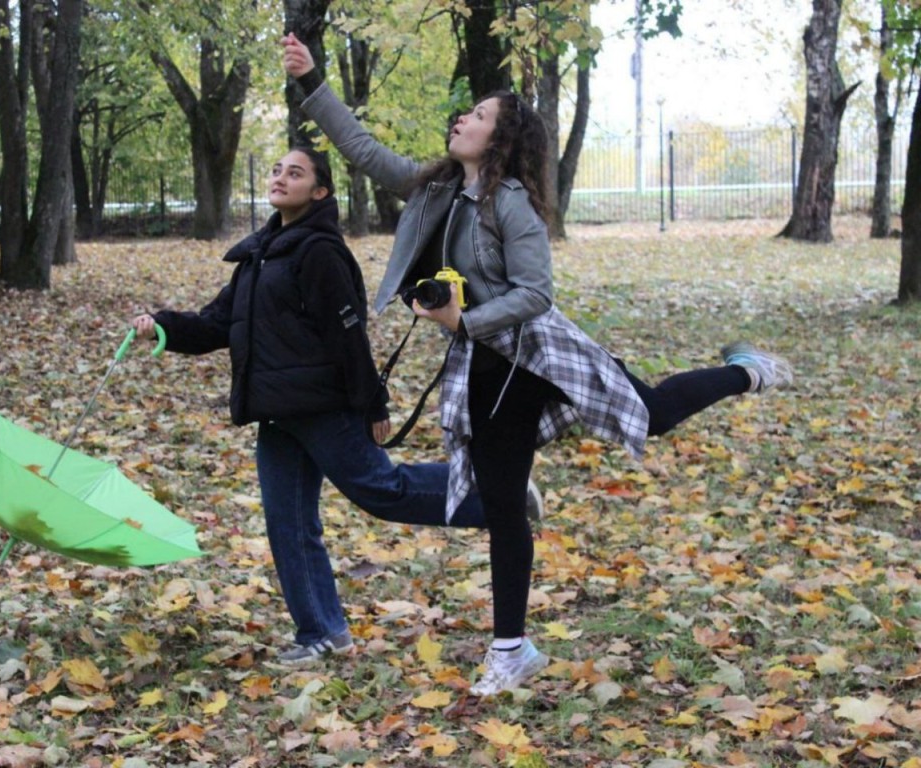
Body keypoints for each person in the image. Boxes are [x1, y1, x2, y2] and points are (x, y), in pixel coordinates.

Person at [282, 33, 793, 697]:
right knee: (501, 502)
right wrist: (311, 81)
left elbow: (536, 294)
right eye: (466, 112)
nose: (464, 119)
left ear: (498, 140)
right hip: (486, 366)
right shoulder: (436, 189)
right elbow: (363, 151)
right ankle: (511, 650)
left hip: (540, 354)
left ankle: (746, 371)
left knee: (655, 414)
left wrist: (467, 320)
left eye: (480, 115)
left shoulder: (512, 203)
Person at [131, 147, 511, 665]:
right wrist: (163, 325)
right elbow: (218, 323)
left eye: (296, 172)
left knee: (384, 490)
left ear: (320, 192)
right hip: (277, 415)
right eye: (276, 170)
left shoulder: (319, 252)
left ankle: (499, 493)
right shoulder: (259, 254)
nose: (281, 177)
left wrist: (372, 403)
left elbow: (347, 332)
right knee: (288, 525)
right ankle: (321, 633)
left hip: (325, 407)